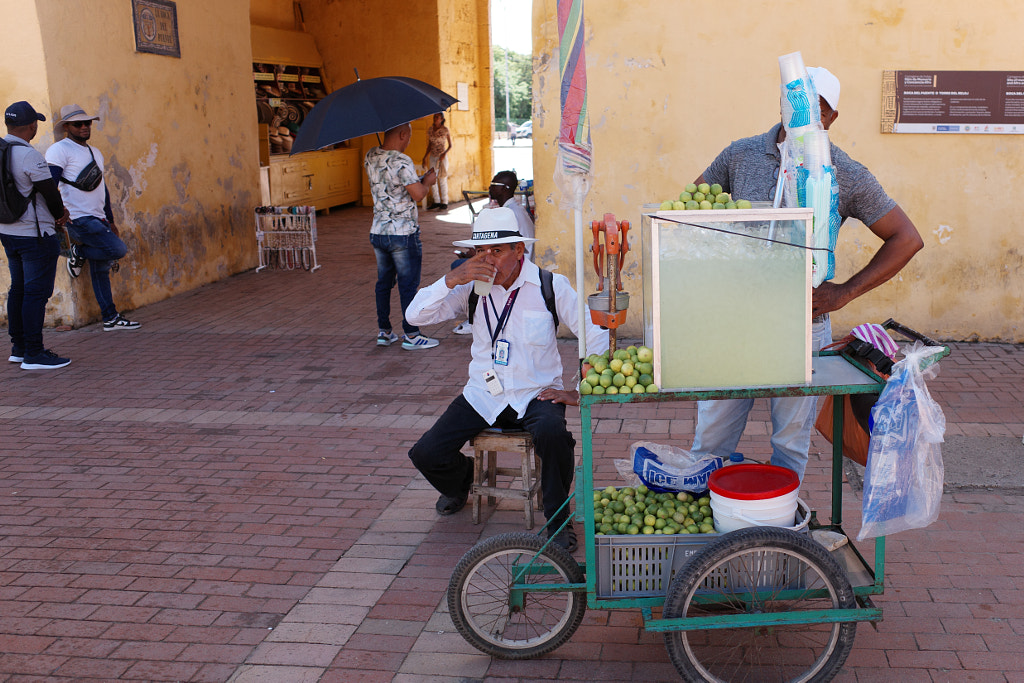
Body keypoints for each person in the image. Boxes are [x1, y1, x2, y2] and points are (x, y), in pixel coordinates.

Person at [689, 65, 924, 480]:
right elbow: (693, 210)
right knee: (710, 440)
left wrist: (845, 293)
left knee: (790, 444)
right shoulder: (741, 155)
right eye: (793, 104)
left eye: (816, 110)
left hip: (801, 326)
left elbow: (906, 238)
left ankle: (777, 533)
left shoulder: (844, 172)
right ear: (781, 104)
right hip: (733, 325)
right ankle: (713, 536)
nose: (801, 116)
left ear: (831, 118)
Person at [405, 207, 609, 552]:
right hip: (485, 393)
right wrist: (452, 278)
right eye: (479, 252)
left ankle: (558, 520)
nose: (487, 260)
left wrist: (578, 387)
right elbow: (415, 316)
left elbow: (596, 332)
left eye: (496, 251)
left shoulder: (549, 285)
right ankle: (461, 483)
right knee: (425, 453)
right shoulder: (470, 288)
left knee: (554, 434)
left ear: (519, 251)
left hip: (535, 393)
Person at [45, 104, 140, 331]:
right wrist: (59, 216)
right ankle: (78, 251)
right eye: (78, 124)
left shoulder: (94, 152)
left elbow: (102, 189)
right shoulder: (59, 150)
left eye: (87, 123)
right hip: (78, 219)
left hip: (97, 219)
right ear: (67, 127)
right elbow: (50, 185)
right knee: (118, 250)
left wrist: (110, 219)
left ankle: (110, 318)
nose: (85, 127)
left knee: (101, 269)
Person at [2, 101, 71, 369]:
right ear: (32, 126)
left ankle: (18, 348)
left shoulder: (1, 150)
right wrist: (60, 215)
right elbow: (50, 194)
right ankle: (33, 353)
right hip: (35, 235)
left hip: (7, 232)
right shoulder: (29, 156)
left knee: (18, 289)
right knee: (35, 293)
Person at [365, 122, 439, 350]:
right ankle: (412, 334)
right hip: (402, 234)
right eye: (408, 138)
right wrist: (426, 181)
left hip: (379, 230)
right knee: (408, 285)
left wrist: (415, 180)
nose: (408, 142)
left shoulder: (370, 155)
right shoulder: (401, 160)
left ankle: (384, 332)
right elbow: (417, 194)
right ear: (402, 134)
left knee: (383, 284)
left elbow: (389, 186)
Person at [452, 170, 536, 335]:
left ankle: (474, 316)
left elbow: (502, 247)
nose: (489, 188)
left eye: (493, 185)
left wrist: (478, 256)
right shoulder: (510, 210)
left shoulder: (510, 214)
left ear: (505, 188)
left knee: (465, 266)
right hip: (519, 260)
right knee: (463, 267)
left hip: (519, 263)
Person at [421, 113, 451, 211]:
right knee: (432, 178)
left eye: (437, 117)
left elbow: (450, 145)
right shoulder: (430, 130)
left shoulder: (445, 130)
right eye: (434, 117)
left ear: (442, 119)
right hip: (432, 156)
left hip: (441, 157)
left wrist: (444, 154)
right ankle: (436, 201)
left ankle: (444, 202)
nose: (435, 119)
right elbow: (430, 144)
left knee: (442, 178)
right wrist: (425, 157)